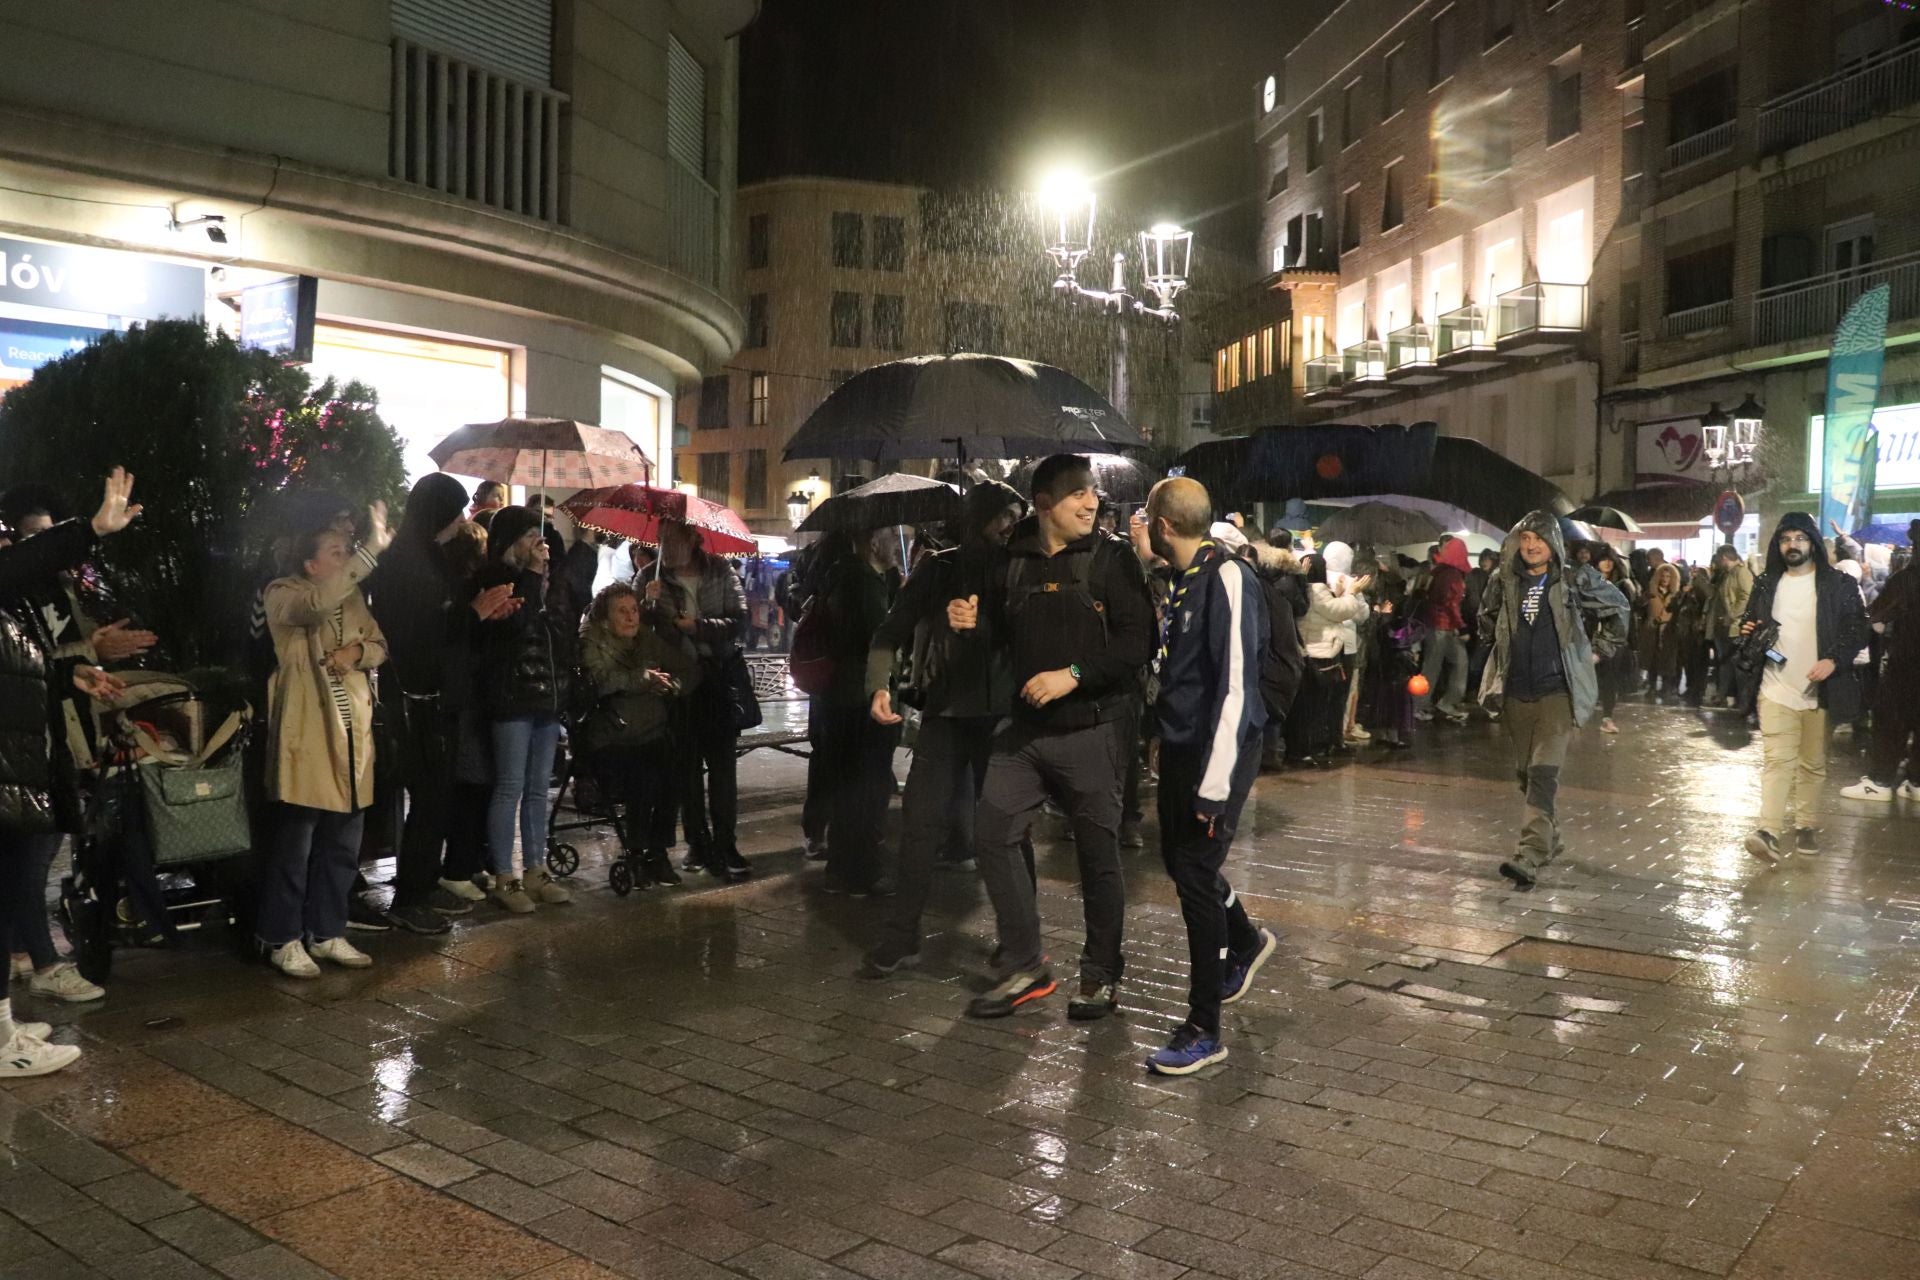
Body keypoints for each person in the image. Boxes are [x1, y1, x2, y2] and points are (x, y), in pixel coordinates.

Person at [946, 455, 1155, 1020]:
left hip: (1093, 729)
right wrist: (971, 623)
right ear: (1043, 505)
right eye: (1077, 494)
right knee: (992, 831)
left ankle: (1100, 975)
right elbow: (996, 636)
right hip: (1024, 732)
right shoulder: (1009, 560)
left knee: (1096, 857)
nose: (1092, 502)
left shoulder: (1112, 559)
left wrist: (1075, 675)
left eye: (1092, 492)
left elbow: (1140, 642)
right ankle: (1025, 963)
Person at [0, 469, 142, 1075]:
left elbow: (17, 671)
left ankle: (4, 1025)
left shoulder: (18, 603)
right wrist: (89, 529)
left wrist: (73, 674)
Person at [1138, 478, 1277, 1075]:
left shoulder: (1227, 577)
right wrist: (1157, 735)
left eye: (1144, 521)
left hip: (1215, 754)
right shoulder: (1182, 580)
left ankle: (1203, 1026)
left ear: (1163, 525)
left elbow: (1236, 689)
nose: (1138, 530)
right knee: (1181, 862)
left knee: (1194, 873)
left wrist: (1214, 785)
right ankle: (1244, 939)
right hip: (1181, 747)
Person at [861, 481, 1025, 976]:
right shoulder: (939, 566)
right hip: (946, 717)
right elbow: (888, 634)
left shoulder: (1020, 569)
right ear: (979, 518)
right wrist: (878, 686)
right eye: (1004, 517)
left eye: (1016, 517)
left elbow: (1028, 638)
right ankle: (900, 936)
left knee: (1006, 833)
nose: (1011, 526)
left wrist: (985, 626)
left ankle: (1019, 941)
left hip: (999, 721)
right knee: (919, 827)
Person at [366, 475, 516, 934]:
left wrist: (480, 608)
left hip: (439, 695)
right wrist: (472, 613)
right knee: (428, 797)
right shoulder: (404, 561)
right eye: (451, 514)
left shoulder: (429, 553)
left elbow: (449, 615)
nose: (457, 523)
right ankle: (410, 895)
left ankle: (422, 885)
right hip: (416, 697)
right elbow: (416, 632)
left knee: (438, 798)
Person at [260, 505, 392, 976]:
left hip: (352, 735)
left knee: (343, 840)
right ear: (311, 564)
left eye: (348, 552)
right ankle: (282, 937)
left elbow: (380, 645)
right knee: (296, 844)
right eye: (336, 553)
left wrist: (358, 651)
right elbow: (314, 607)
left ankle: (328, 930)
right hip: (308, 735)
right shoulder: (283, 593)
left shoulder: (353, 599)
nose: (346, 559)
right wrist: (371, 550)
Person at [1478, 512, 1628, 888]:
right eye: (1525, 538)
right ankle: (1551, 839)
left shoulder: (1574, 578)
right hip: (1515, 691)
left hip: (1557, 691)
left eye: (1539, 539)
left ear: (1553, 544)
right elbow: (1485, 617)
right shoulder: (1504, 579)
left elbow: (1618, 609)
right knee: (1526, 774)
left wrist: (1596, 650)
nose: (1531, 546)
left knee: (1544, 772)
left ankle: (1529, 854)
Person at [1737, 514, 1870, 864]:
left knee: (1812, 764)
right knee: (1777, 761)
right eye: (1785, 539)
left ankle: (1806, 824)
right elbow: (1749, 631)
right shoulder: (1766, 583)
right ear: (1777, 545)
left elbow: (1858, 629)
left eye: (1799, 538)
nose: (1792, 545)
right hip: (1775, 687)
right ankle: (1769, 831)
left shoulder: (1837, 584)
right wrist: (1751, 634)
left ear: (1812, 542)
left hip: (1820, 690)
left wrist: (1833, 661)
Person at [472, 505, 576, 912]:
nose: (538, 542)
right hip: (513, 695)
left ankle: (536, 868)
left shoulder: (549, 580)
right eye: (529, 534)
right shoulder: (497, 579)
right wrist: (532, 577)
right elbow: (516, 626)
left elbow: (562, 628)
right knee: (510, 786)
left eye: (541, 534)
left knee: (538, 789)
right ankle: (504, 875)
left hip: (548, 695)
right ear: (510, 540)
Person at [646, 521, 751, 881]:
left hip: (717, 680)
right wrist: (647, 603)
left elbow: (740, 620)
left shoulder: (720, 570)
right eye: (660, 540)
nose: (665, 547)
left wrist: (699, 627)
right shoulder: (651, 574)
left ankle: (726, 842)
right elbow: (639, 632)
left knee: (722, 769)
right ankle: (697, 842)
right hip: (678, 683)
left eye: (672, 540)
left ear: (692, 539)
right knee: (686, 768)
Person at [578, 582, 698, 883]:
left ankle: (657, 853)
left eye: (634, 610)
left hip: (650, 731)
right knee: (643, 778)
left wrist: (672, 685)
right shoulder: (592, 641)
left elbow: (688, 668)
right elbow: (600, 681)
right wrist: (642, 679)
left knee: (674, 775)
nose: (632, 618)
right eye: (622, 612)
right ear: (606, 618)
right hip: (612, 737)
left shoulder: (646, 639)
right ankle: (635, 851)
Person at [816, 524, 905, 895]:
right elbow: (880, 639)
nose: (901, 546)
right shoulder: (865, 584)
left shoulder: (837, 575)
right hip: (865, 699)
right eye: (895, 538)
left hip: (839, 697)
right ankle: (863, 871)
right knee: (868, 789)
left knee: (848, 787)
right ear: (873, 542)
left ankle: (840, 868)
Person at [1842, 518, 1920, 803]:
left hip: (1906, 663)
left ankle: (1881, 781)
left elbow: (1876, 613)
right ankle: (1917, 781)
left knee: (1890, 720)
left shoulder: (1906, 579)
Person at [1289, 554, 1371, 767]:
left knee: (1308, 705)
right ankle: (1312, 747)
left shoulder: (1301, 588)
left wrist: (1342, 593)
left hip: (1307, 651)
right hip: (1322, 654)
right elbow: (1342, 611)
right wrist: (1352, 593)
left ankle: (1310, 746)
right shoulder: (1317, 589)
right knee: (1318, 704)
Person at [1413, 537, 1471, 723]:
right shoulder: (1452, 575)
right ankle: (1424, 705)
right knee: (1444, 666)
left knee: (1435, 667)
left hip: (1438, 626)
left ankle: (1427, 703)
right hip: (1443, 627)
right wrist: (1461, 627)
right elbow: (1451, 603)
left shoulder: (1439, 571)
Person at [1593, 550, 1641, 734]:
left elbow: (1627, 614)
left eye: (1610, 560)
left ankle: (1607, 717)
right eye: (1603, 559)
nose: (1606, 563)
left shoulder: (1622, 585)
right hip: (1591, 636)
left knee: (1609, 678)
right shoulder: (1590, 584)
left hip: (1613, 639)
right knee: (1586, 675)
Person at [1706, 545, 1755, 706]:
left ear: (1724, 558)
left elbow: (1746, 595)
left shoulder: (1741, 573)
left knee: (1735, 663)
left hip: (1734, 627)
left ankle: (1741, 700)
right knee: (1725, 663)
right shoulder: (1727, 574)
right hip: (1725, 627)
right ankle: (1723, 695)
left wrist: (1732, 614)